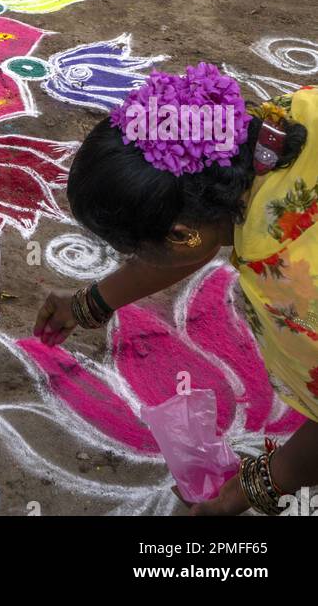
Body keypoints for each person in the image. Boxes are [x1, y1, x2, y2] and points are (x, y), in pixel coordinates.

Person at [34, 63, 318, 516]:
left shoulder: (294, 285)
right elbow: (197, 233)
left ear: (180, 234)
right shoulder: (280, 130)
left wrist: (240, 496)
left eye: (134, 247)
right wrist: (91, 303)